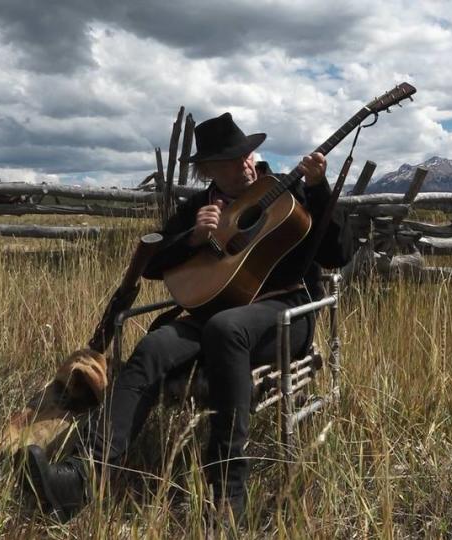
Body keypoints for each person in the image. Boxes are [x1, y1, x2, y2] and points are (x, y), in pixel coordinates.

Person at [23, 112, 355, 524]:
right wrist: (192, 238)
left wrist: (319, 188)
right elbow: (153, 265)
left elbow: (339, 254)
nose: (246, 165)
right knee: (153, 346)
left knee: (225, 328)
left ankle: (229, 494)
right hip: (212, 316)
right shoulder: (199, 208)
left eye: (247, 155)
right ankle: (81, 476)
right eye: (232, 162)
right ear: (206, 172)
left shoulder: (287, 191)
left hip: (283, 316)